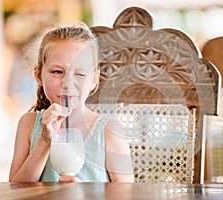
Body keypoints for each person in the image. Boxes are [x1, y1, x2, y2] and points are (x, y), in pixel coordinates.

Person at [9, 23, 134, 182]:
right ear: (39, 75)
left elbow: (127, 196)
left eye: (80, 74)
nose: (67, 83)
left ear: (94, 79)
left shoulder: (109, 131)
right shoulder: (28, 124)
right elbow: (14, 192)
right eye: (57, 72)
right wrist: (45, 140)